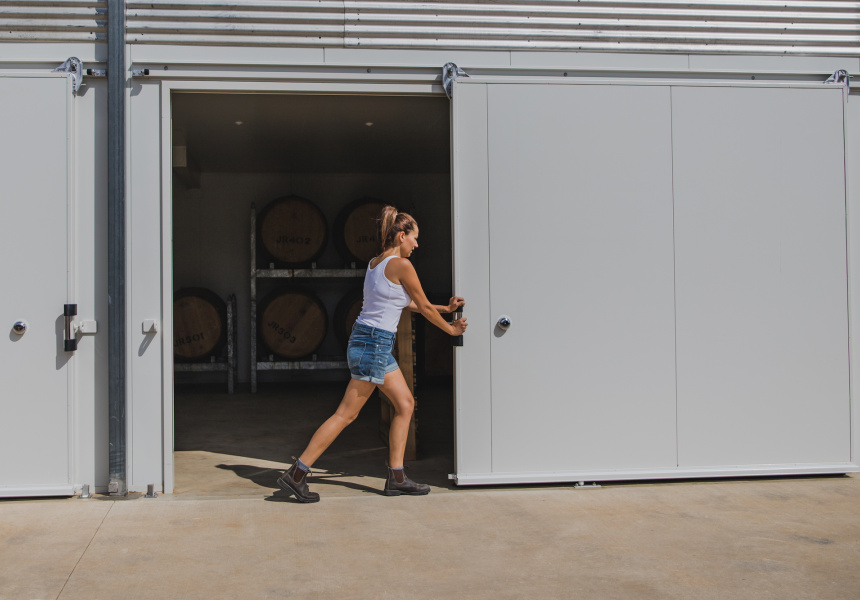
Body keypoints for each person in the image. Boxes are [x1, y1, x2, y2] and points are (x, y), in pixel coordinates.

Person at [277, 206, 468, 503]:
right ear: (401, 235)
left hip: (369, 341)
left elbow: (404, 303)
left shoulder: (375, 263)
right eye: (414, 238)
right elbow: (422, 307)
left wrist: (446, 308)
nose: (417, 244)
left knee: (405, 404)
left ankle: (397, 478)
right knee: (346, 414)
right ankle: (297, 474)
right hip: (374, 344)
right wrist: (451, 330)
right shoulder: (402, 265)